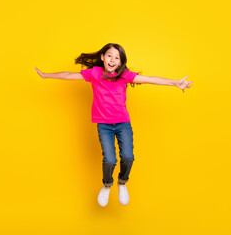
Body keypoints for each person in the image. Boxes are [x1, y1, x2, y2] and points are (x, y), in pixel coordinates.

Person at [35, 43, 193, 207]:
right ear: (102, 57)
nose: (112, 60)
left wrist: (175, 83)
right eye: (109, 55)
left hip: (122, 123)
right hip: (104, 125)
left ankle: (122, 182)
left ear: (120, 62)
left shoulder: (124, 75)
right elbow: (69, 75)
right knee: (110, 160)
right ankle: (107, 184)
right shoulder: (95, 73)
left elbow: (149, 79)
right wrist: (46, 75)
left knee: (128, 157)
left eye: (117, 58)